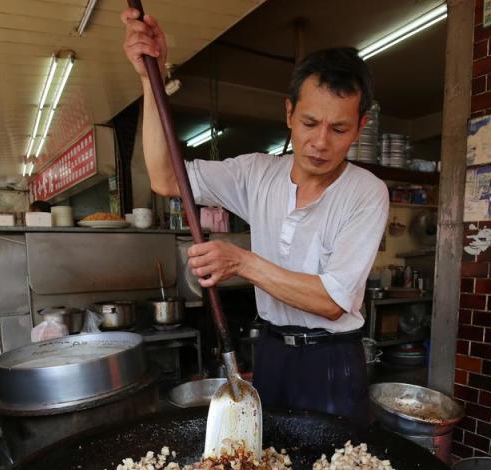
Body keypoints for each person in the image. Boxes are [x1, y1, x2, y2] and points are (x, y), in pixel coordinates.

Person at [122, 9, 388, 423]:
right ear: (288, 114)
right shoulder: (256, 173)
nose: (320, 142)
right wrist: (148, 79)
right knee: (269, 469)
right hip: (272, 351)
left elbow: (334, 302)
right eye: (309, 122)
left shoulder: (366, 193)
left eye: (338, 129)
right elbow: (164, 177)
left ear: (359, 127)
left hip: (333, 361)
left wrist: (241, 261)